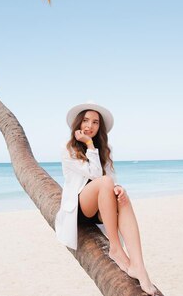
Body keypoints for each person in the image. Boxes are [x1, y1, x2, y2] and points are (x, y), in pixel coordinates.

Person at [55, 102, 157, 296]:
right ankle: (116, 248)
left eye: (95, 122)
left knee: (123, 199)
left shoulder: (104, 148)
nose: (90, 126)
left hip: (101, 206)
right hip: (79, 209)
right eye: (85, 120)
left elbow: (110, 177)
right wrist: (89, 145)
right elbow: (95, 174)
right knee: (104, 182)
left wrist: (117, 188)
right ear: (78, 123)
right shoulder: (67, 148)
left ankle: (139, 267)